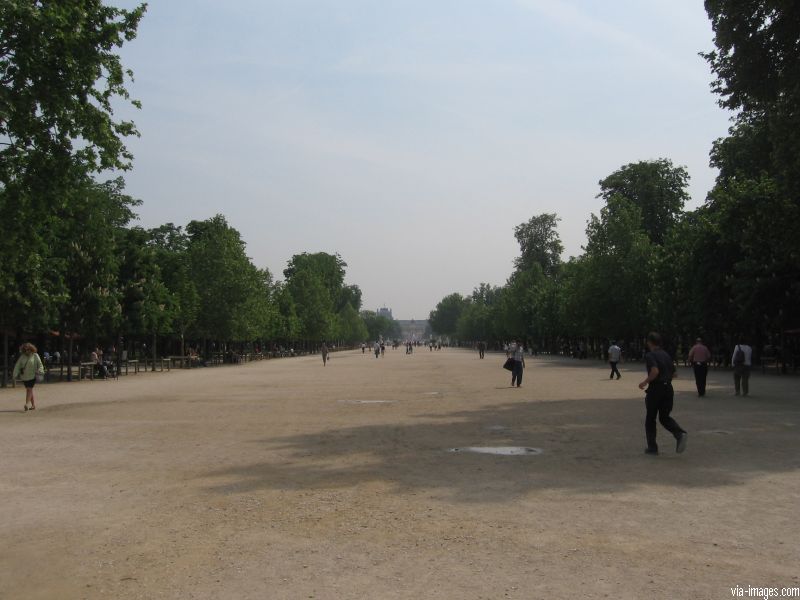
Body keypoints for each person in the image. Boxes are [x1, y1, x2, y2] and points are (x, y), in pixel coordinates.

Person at [638, 332, 688, 456]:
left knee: (650, 418)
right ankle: (679, 434)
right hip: (668, 388)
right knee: (664, 417)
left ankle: (652, 448)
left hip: (656, 389)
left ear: (649, 342)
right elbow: (674, 374)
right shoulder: (666, 355)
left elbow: (655, 371)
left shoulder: (650, 355)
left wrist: (645, 382)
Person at [12, 343, 45, 412]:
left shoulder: (35, 355)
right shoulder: (22, 356)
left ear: (31, 349)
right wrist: (15, 374)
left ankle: (26, 404)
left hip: (33, 375)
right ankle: (33, 405)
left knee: (29, 389)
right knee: (30, 390)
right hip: (24, 376)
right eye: (25, 350)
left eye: (28, 350)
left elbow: (40, 365)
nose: (27, 351)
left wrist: (40, 370)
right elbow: (17, 365)